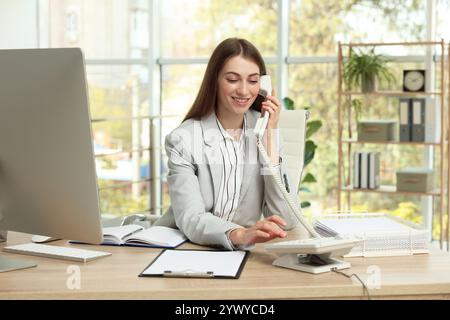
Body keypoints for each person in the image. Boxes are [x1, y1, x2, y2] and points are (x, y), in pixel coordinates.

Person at [154, 38, 309, 250]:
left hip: (241, 252)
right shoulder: (183, 140)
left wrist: (269, 140)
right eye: (233, 79)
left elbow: (286, 219)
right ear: (215, 81)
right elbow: (191, 218)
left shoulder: (266, 133)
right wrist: (240, 234)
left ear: (263, 86)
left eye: (253, 81)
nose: (244, 91)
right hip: (186, 247)